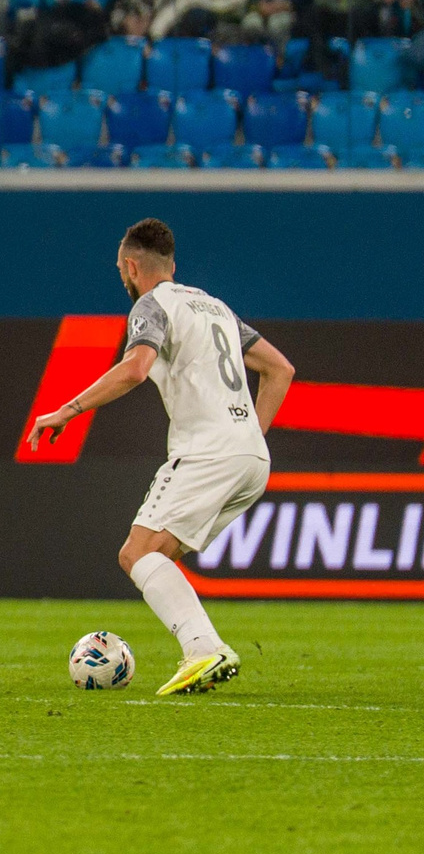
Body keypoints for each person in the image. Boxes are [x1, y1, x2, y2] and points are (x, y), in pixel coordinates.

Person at [28, 218, 295, 697]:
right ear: (172, 264)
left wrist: (68, 410)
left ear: (132, 266)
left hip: (208, 452)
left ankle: (203, 649)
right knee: (160, 557)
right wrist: (249, 435)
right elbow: (280, 369)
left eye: (120, 271)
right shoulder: (215, 307)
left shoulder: (152, 307)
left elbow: (135, 369)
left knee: (137, 554)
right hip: (252, 456)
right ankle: (202, 652)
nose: (123, 280)